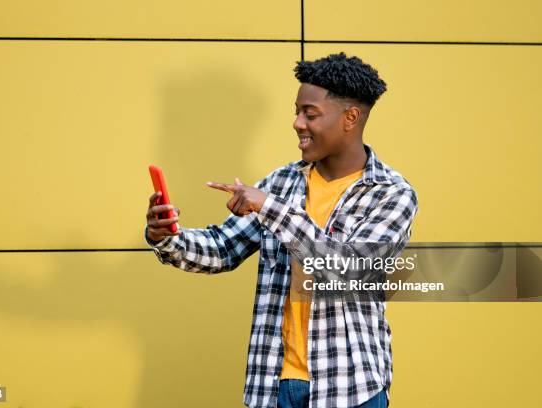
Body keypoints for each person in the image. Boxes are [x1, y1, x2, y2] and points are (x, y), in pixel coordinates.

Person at [145, 52, 418, 408]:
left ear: (350, 118)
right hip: (273, 386)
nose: (296, 123)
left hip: (350, 389)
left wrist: (269, 207)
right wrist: (166, 236)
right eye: (297, 111)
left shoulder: (391, 194)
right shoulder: (282, 182)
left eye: (310, 113)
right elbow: (221, 249)